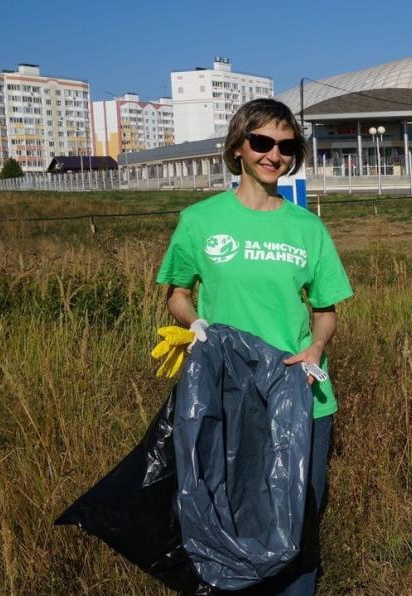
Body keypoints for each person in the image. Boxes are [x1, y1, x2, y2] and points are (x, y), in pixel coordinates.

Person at [156, 98, 353, 595]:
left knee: (297, 520)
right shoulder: (200, 221)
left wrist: (316, 349)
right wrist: (195, 322)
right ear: (238, 147)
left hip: (300, 395)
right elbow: (176, 293)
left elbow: (326, 309)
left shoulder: (307, 228)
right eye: (262, 142)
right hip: (226, 398)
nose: (274, 155)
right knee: (226, 509)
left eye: (286, 146)